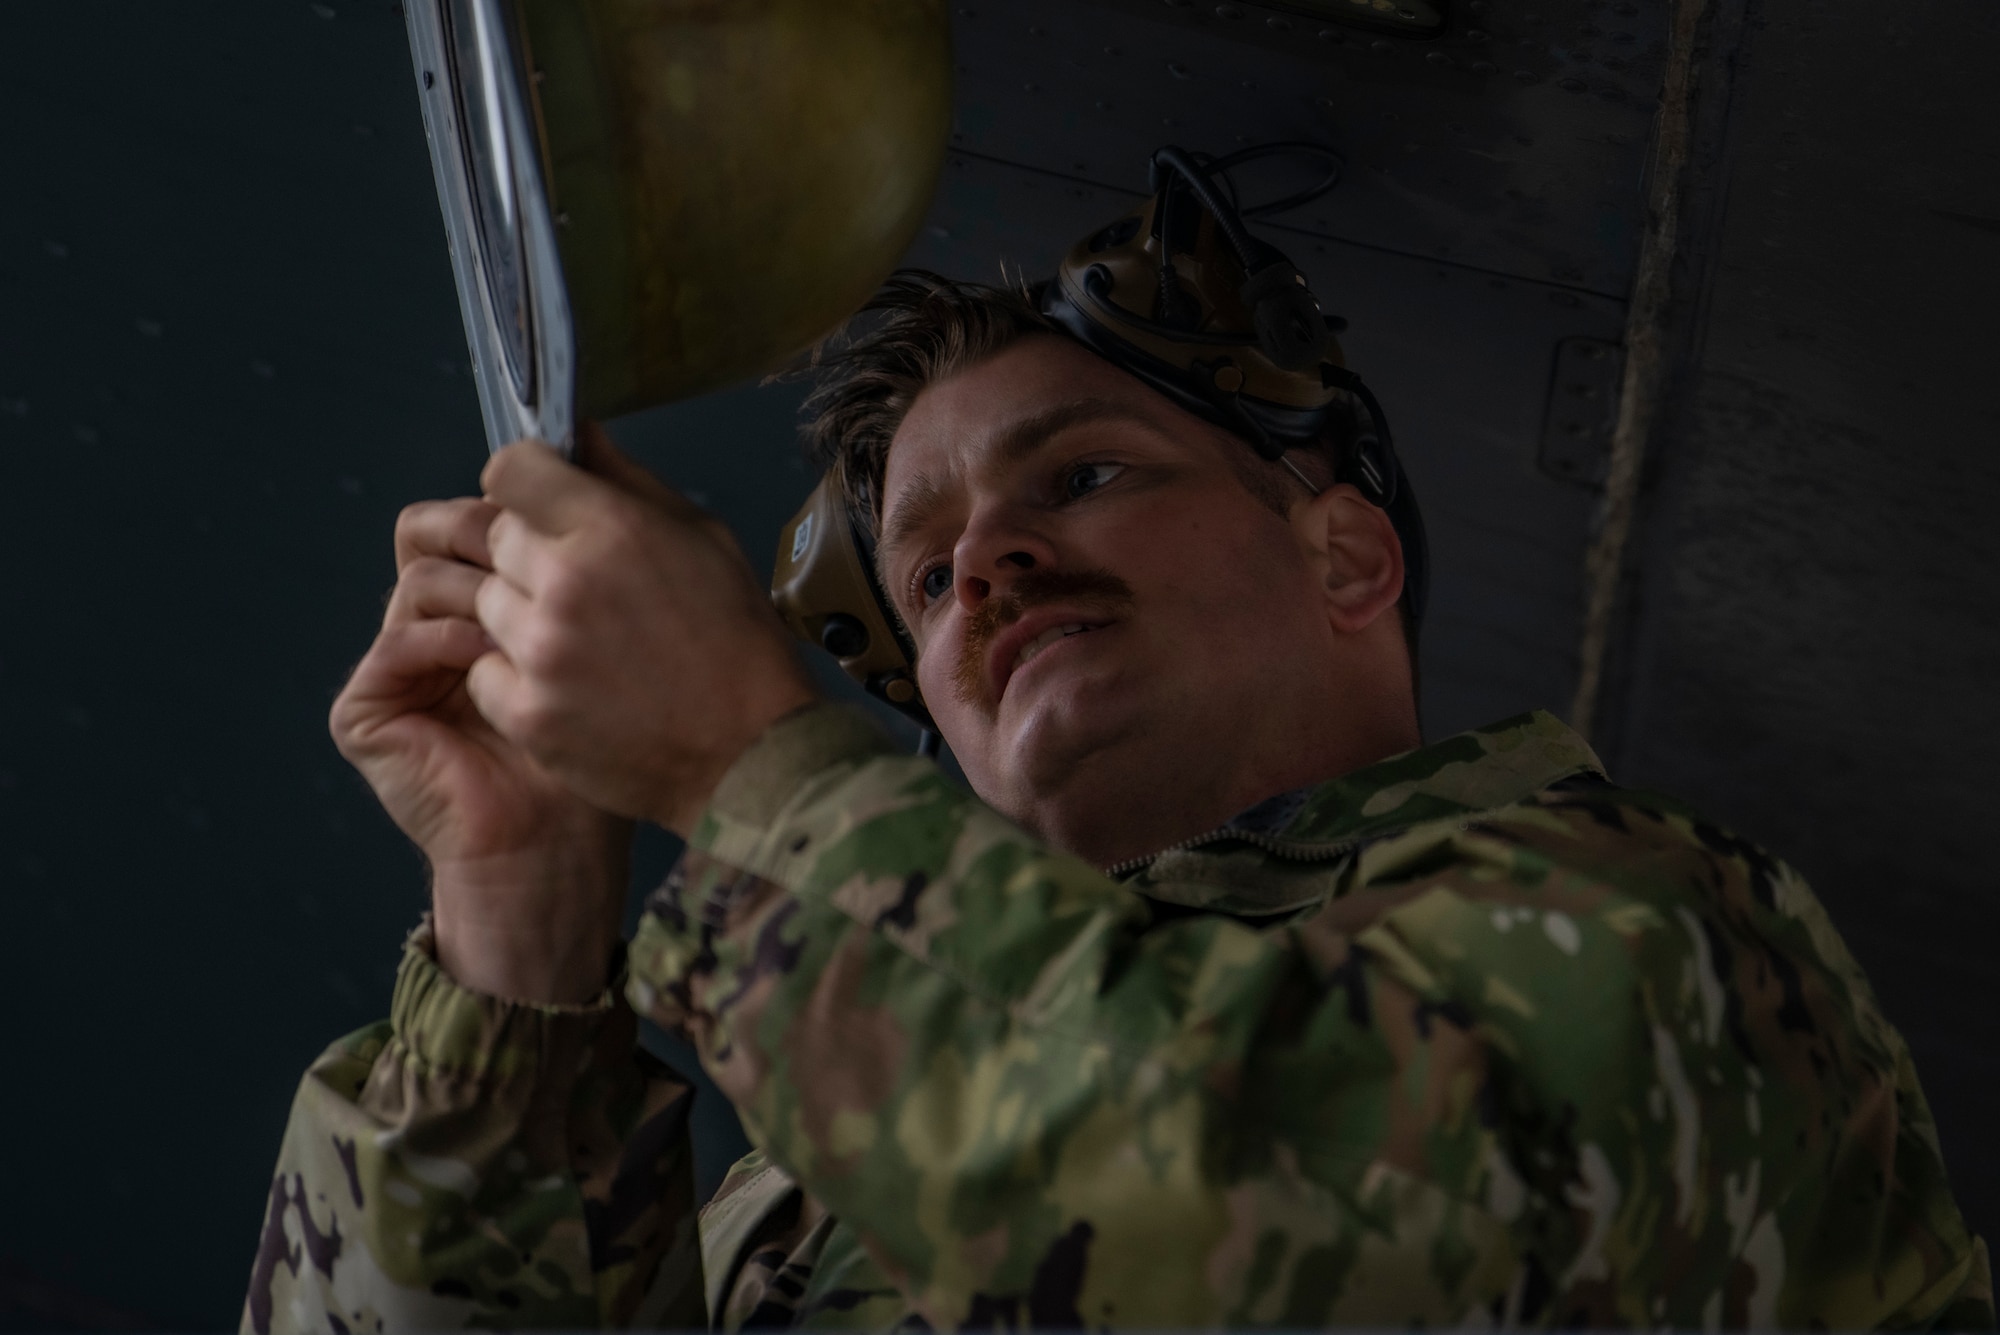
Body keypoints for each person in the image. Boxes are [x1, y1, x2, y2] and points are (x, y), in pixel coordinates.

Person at [243, 270, 1992, 1332]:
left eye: (1081, 476)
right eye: (924, 585)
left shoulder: (1672, 938)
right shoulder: (812, 1187)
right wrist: (519, 920)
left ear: (1348, 553)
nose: (987, 565)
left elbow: (1336, 1264)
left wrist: (732, 760)